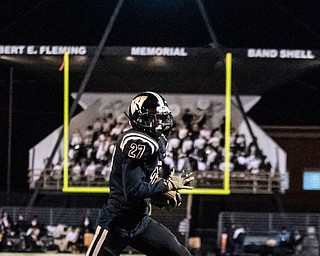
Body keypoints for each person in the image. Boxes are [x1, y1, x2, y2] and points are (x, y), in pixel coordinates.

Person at [85, 91, 194, 256]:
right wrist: (167, 185)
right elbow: (133, 190)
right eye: (152, 117)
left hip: (140, 222)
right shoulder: (137, 141)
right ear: (139, 118)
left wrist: (158, 192)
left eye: (160, 117)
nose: (158, 122)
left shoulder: (159, 141)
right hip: (116, 223)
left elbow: (145, 180)